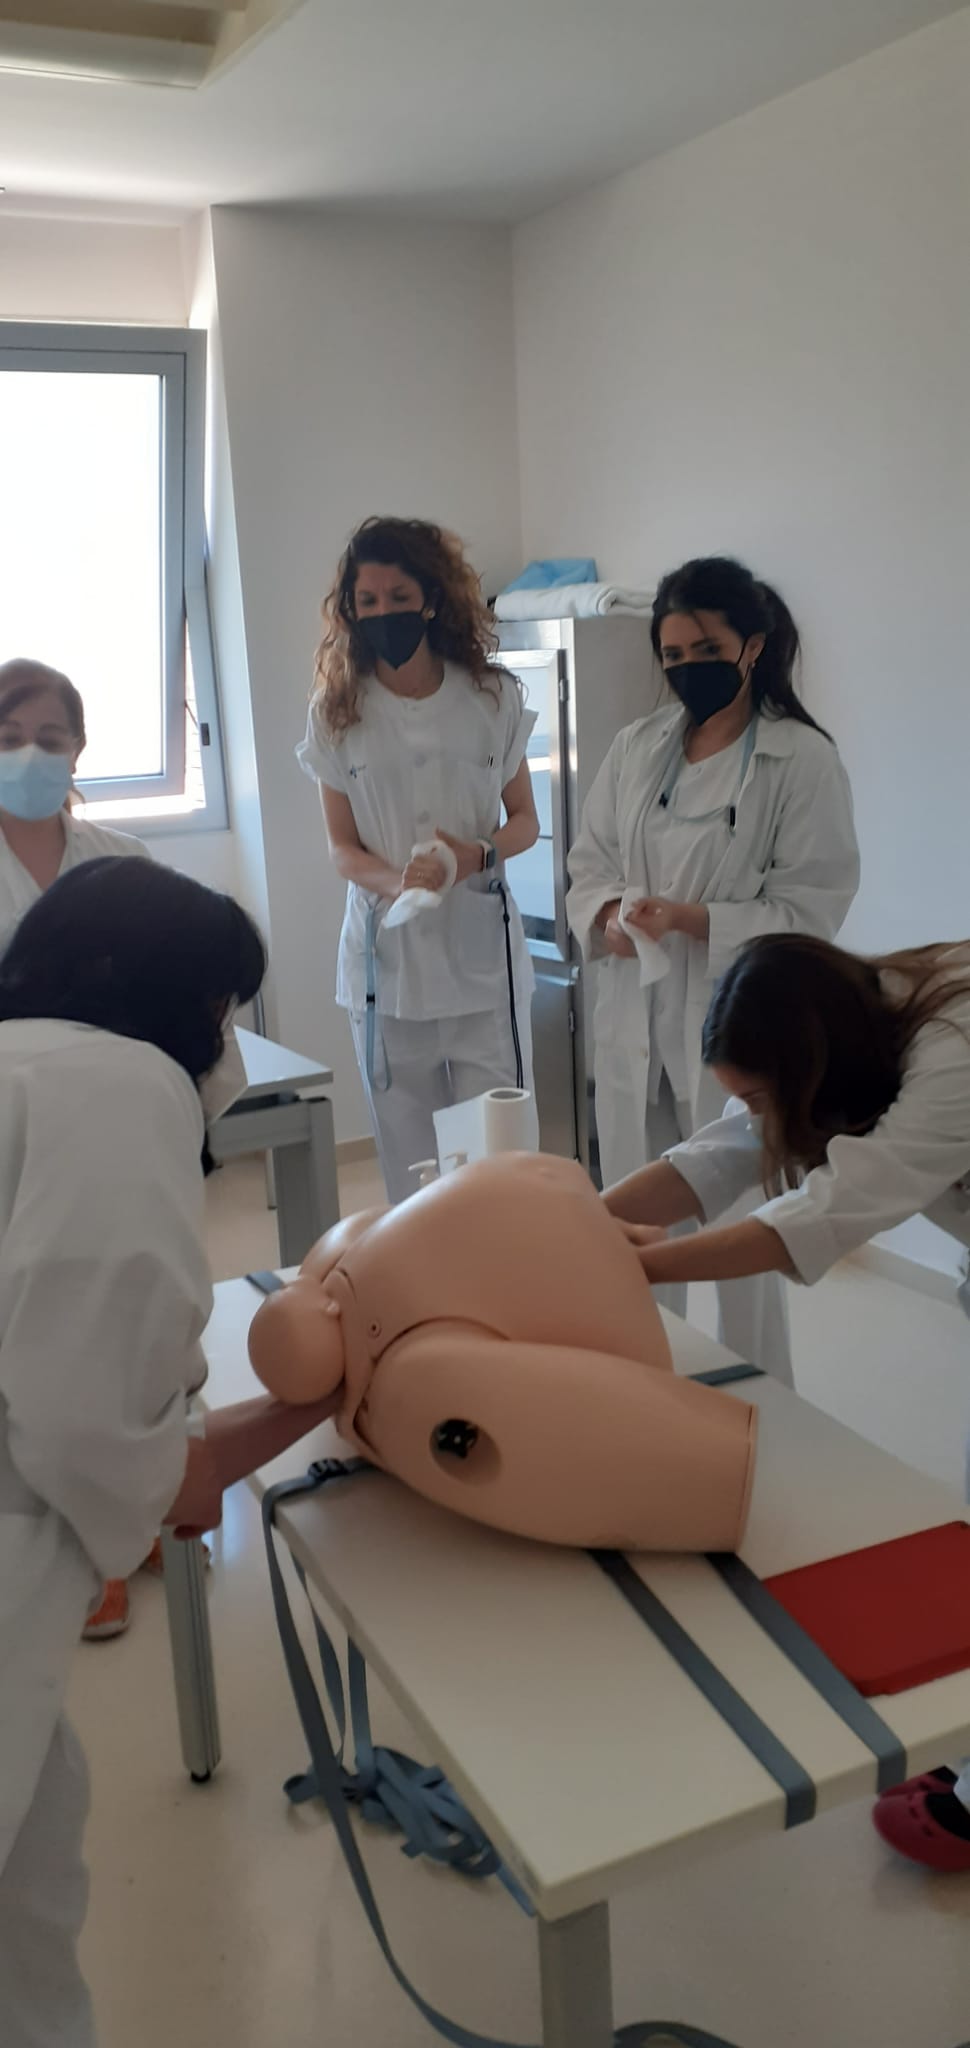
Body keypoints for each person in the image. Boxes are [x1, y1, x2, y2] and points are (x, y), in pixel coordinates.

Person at [0, 857, 336, 2046]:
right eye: (222, 1011)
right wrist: (336, 1383)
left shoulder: (25, 1064)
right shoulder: (119, 1083)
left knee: (36, 1863)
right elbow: (112, 1443)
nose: (225, 1044)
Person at [604, 930, 970, 1871]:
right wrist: (575, 1218)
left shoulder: (950, 1053)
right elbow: (720, 1156)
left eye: (765, 1095)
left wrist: (631, 1264)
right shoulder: (856, 1013)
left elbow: (828, 1207)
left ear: (806, 1067)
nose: (758, 1118)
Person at [566, 556, 860, 1384]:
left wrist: (698, 922)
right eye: (673, 653)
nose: (687, 667)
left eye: (706, 648)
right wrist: (606, 919)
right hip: (634, 999)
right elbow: (587, 866)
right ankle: (648, 1380)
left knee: (737, 1217)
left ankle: (760, 1401)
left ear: (753, 645)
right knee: (634, 1205)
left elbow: (814, 909)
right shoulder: (637, 748)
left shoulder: (800, 761)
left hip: (739, 1014)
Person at [299, 516, 540, 1204]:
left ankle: (503, 1305)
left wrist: (475, 855)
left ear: (430, 599)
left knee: (497, 1168)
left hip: (482, 972)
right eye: (366, 602)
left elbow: (525, 821)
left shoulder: (492, 696)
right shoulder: (336, 711)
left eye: (398, 598)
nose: (382, 614)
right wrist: (395, 881)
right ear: (348, 610)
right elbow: (342, 848)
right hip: (386, 974)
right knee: (412, 1179)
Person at [0, 657, 147, 954]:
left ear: (75, 753)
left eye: (50, 742)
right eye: (10, 739)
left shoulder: (125, 858)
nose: (29, 758)